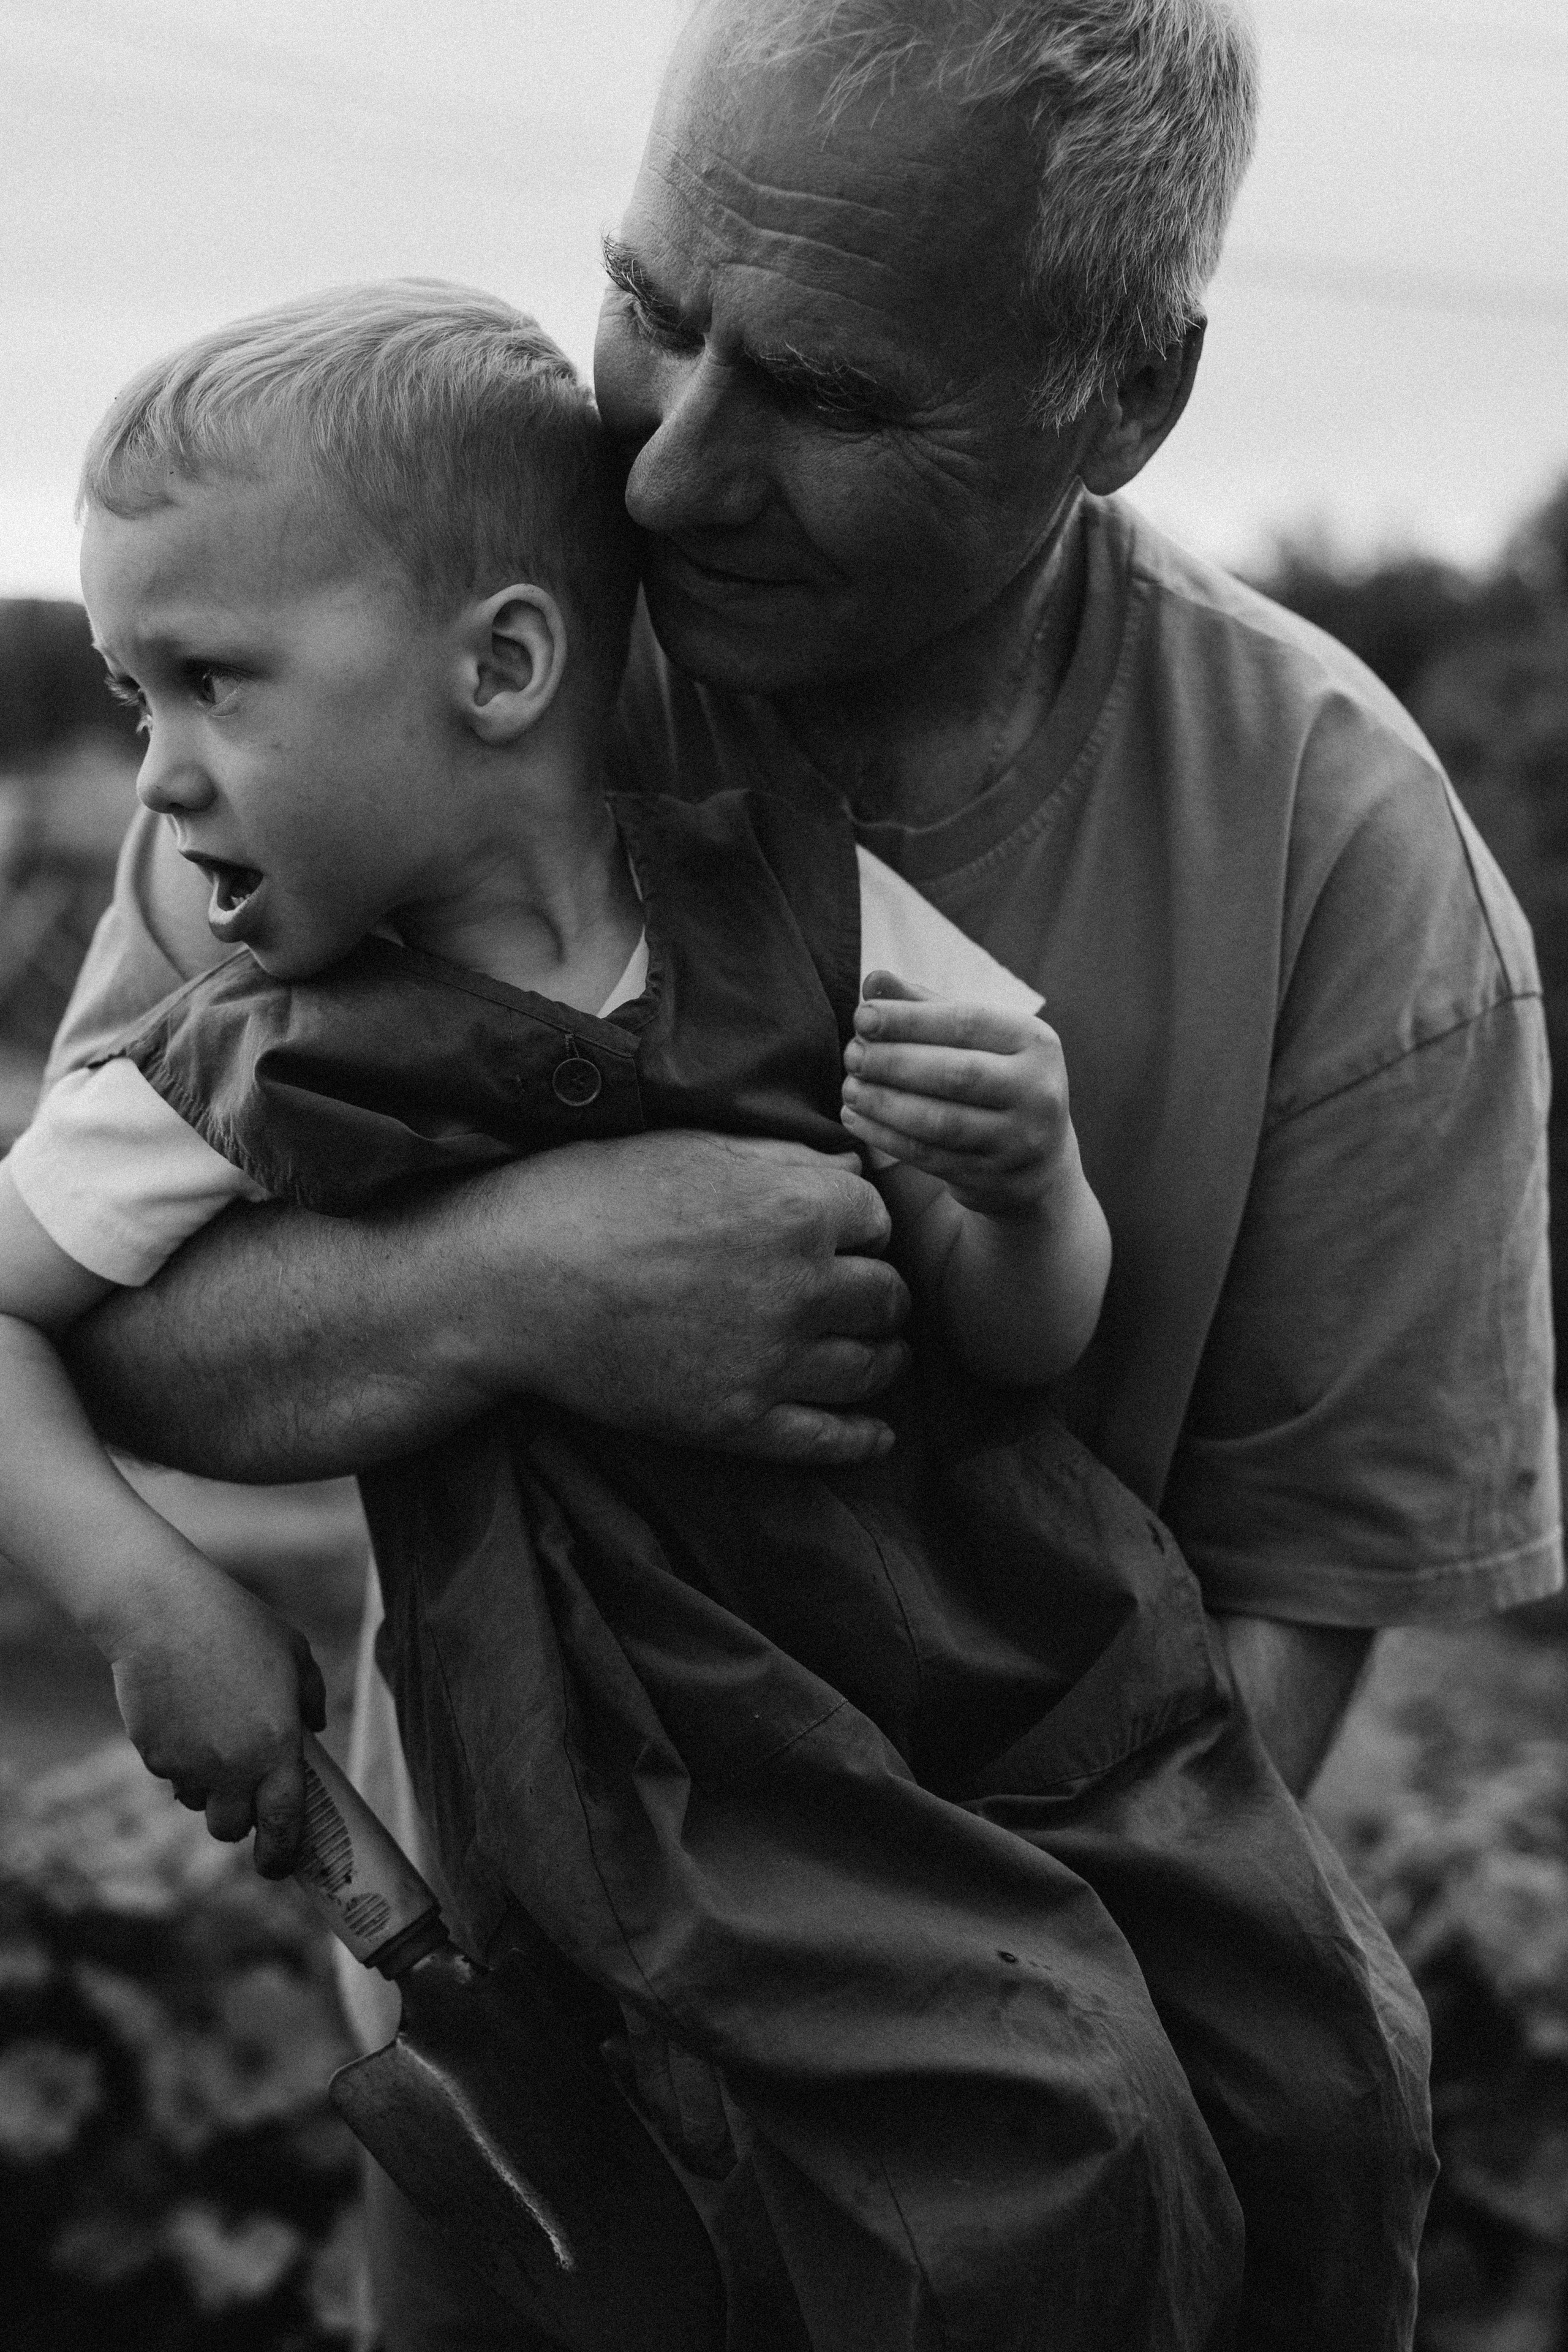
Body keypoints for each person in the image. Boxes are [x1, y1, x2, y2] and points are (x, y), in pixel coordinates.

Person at [39, 0, 1556, 2339]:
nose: (664, 469)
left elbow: (1285, 1613)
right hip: (530, 2055)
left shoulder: (1345, 862)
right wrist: (520, 1283)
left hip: (1014, 2069)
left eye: (832, 394)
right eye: (655, 308)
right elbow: (114, 1323)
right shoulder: (392, 666)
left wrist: (967, 2041)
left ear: (1123, 402)